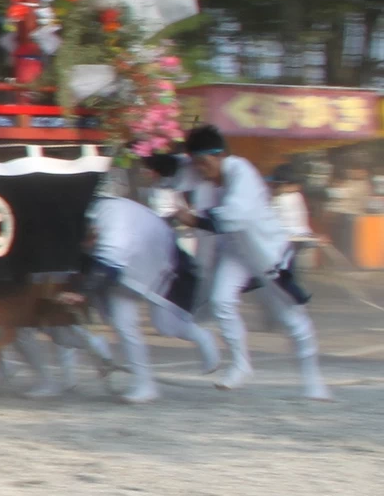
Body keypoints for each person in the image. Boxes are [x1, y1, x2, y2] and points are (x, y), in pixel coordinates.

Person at [176, 124, 328, 399]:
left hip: (266, 253)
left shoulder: (241, 171)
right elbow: (176, 169)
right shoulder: (206, 176)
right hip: (237, 252)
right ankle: (240, 364)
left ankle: (313, 380)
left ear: (220, 154)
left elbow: (235, 216)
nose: (199, 169)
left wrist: (194, 219)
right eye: (195, 163)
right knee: (222, 301)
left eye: (203, 162)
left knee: (292, 321)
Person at [68, 178, 220, 403]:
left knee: (166, 325)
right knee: (122, 324)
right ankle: (144, 384)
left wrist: (82, 292)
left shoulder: (111, 220)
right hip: (124, 264)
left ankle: (202, 337)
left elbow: (109, 260)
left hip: (157, 256)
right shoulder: (89, 217)